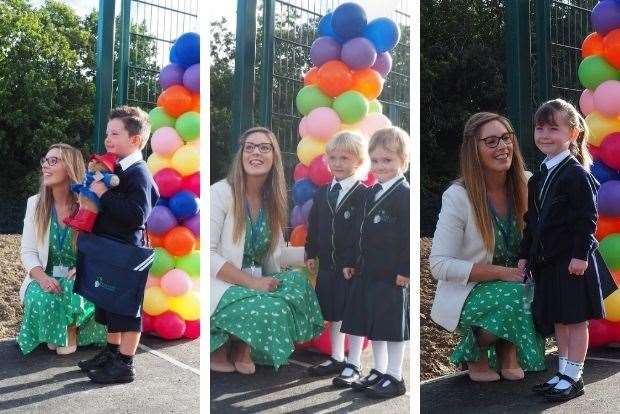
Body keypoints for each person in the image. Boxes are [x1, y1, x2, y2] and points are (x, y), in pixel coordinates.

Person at [429, 112, 545, 383]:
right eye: (491, 141)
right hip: (471, 290)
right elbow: (439, 264)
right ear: (474, 149)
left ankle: (508, 349)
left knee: (543, 287)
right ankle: (474, 352)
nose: (503, 147)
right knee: (518, 293)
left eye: (506, 138)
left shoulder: (528, 183)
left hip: (519, 282)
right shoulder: (458, 196)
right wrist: (501, 272)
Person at [210, 127, 323, 374]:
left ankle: (243, 346)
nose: (256, 153)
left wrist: (311, 254)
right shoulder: (220, 192)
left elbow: (275, 254)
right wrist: (252, 283)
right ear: (241, 155)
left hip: (255, 280)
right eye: (249, 147)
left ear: (274, 157)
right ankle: (220, 343)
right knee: (272, 305)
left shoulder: (271, 198)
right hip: (224, 282)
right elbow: (207, 256)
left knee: (297, 282)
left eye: (264, 147)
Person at [520, 99, 609, 402]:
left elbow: (587, 219)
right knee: (559, 318)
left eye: (553, 129)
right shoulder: (539, 176)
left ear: (572, 133)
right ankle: (562, 371)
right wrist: (525, 254)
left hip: (572, 261)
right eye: (539, 128)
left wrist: (581, 256)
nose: (544, 135)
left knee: (575, 320)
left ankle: (575, 375)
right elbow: (531, 221)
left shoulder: (576, 173)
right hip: (548, 262)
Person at [77, 106, 159, 384]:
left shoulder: (139, 173)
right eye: (107, 133)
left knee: (127, 307)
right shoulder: (117, 168)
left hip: (127, 253)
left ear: (135, 140)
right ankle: (111, 353)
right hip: (111, 249)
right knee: (109, 301)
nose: (107, 139)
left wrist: (104, 193)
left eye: (115, 133)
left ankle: (125, 363)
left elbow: (137, 215)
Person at [340, 127, 410, 398]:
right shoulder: (370, 193)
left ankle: (395, 376)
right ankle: (380, 371)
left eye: (388, 160)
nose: (381, 166)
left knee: (392, 327)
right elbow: (357, 231)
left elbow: (406, 236)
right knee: (376, 325)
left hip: (393, 275)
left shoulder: (404, 194)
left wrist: (405, 270)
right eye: (376, 160)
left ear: (403, 161)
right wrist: (350, 260)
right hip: (368, 272)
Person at [17, 143, 107, 355]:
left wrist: (84, 267)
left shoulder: (88, 202)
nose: (45, 166)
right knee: (42, 298)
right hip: (46, 275)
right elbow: (28, 252)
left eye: (53, 161)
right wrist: (43, 279)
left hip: (80, 275)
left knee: (73, 287)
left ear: (70, 167)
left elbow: (100, 246)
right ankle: (57, 333)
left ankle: (69, 331)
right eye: (45, 161)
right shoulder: (35, 203)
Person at [305, 132, 368, 386]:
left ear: (358, 160)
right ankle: (337, 357)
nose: (338, 162)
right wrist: (311, 252)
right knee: (332, 311)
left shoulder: (364, 193)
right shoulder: (323, 193)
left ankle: (354, 363)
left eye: (345, 157)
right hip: (328, 266)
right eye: (333, 157)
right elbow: (315, 225)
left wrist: (353, 261)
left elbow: (363, 233)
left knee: (351, 312)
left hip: (350, 268)